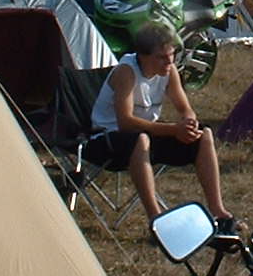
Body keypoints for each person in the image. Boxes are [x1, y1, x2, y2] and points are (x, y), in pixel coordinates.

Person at [89, 20, 236, 233]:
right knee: (141, 140)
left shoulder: (169, 70)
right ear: (144, 56)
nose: (169, 62)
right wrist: (174, 130)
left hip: (146, 136)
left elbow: (185, 108)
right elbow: (126, 122)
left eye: (172, 55)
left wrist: (189, 122)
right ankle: (156, 220)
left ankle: (218, 211)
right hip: (107, 139)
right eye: (162, 57)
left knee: (204, 134)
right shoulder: (126, 72)